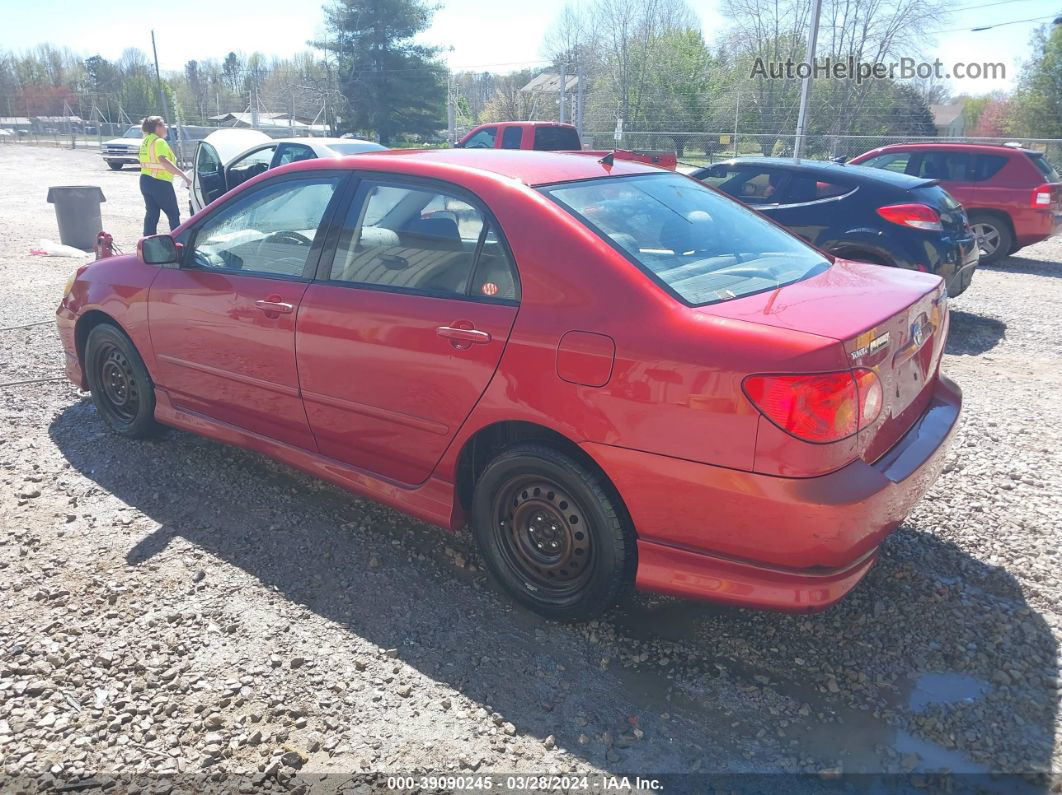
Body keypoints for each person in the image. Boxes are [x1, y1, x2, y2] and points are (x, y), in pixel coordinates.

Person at [138, 116, 191, 236]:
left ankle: (148, 243)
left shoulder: (146, 141)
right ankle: (178, 242)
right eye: (163, 124)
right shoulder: (159, 141)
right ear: (157, 127)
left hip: (145, 181)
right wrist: (183, 176)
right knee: (173, 214)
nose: (165, 127)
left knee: (152, 214)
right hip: (159, 183)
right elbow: (163, 160)